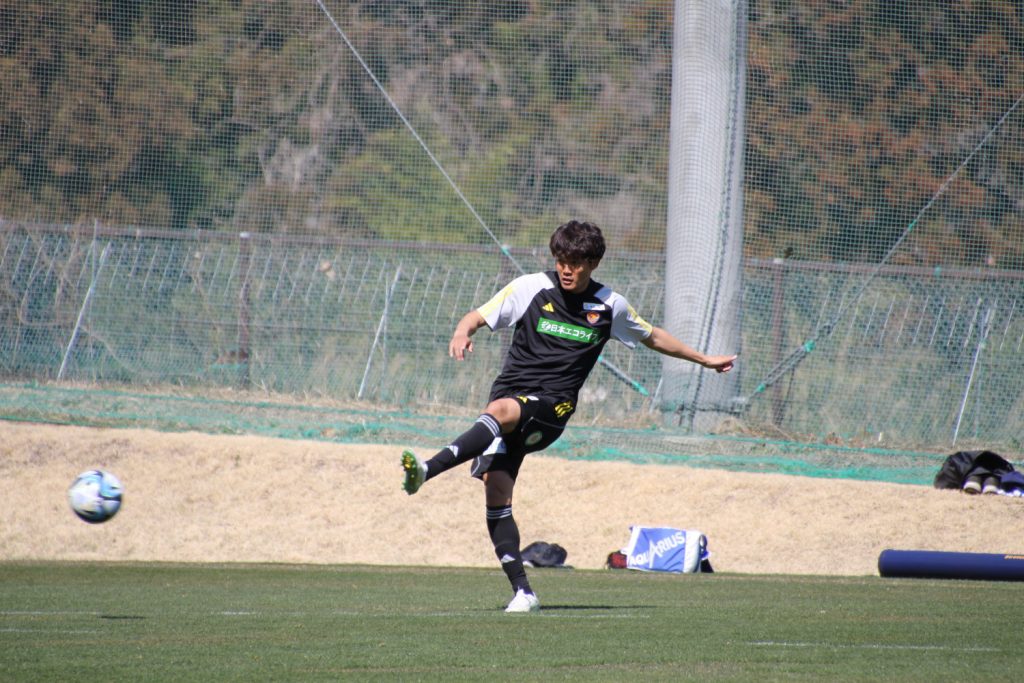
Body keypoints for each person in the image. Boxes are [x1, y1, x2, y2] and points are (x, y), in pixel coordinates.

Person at [401, 220, 737, 613]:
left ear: (592, 263)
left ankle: (427, 469)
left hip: (552, 407)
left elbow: (653, 336)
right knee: (496, 492)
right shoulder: (530, 287)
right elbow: (475, 316)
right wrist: (462, 333)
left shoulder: (610, 305)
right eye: (561, 260)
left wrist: (704, 359)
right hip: (509, 397)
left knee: (500, 410)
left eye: (575, 263)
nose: (566, 269)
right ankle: (524, 593)